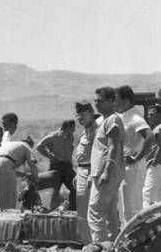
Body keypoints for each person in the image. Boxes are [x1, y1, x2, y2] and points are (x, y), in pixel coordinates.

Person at [88, 87, 126, 242]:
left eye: (100, 100)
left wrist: (106, 172)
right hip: (105, 172)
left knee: (95, 212)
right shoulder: (106, 120)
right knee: (110, 213)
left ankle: (99, 249)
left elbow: (113, 146)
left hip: (107, 172)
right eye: (95, 100)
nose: (96, 103)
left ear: (111, 101)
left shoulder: (112, 120)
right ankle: (112, 249)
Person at [114, 86, 155, 223]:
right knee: (123, 206)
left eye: (117, 100)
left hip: (134, 168)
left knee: (132, 208)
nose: (115, 103)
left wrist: (137, 157)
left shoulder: (135, 117)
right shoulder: (124, 116)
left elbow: (150, 137)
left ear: (126, 101)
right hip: (124, 168)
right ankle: (126, 238)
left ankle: (134, 239)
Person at [35, 120, 76, 210]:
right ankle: (50, 210)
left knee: (75, 185)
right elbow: (39, 147)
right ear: (67, 128)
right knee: (54, 189)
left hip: (67, 166)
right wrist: (50, 157)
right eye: (72, 128)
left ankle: (73, 209)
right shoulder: (53, 136)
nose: (74, 130)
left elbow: (70, 148)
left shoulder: (70, 137)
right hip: (57, 166)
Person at [0, 138, 39, 210]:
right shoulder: (26, 146)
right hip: (4, 164)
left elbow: (6, 169)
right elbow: (32, 165)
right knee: (8, 201)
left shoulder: (10, 145)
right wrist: (35, 179)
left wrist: (25, 175)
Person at [74, 101, 98, 242]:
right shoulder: (85, 131)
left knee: (91, 210)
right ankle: (86, 243)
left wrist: (90, 174)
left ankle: (94, 243)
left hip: (90, 171)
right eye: (78, 115)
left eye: (83, 114)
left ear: (91, 112)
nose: (80, 118)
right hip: (82, 170)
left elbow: (98, 154)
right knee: (82, 211)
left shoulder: (96, 131)